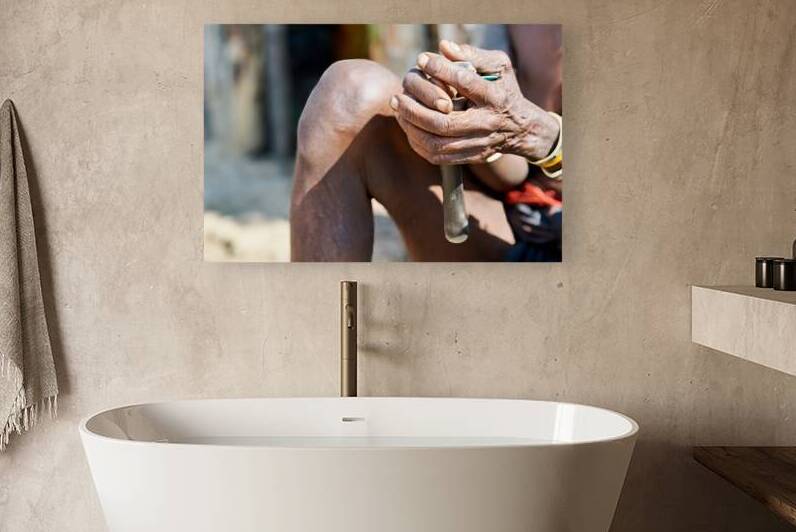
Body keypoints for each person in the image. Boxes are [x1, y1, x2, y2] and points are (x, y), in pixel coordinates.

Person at [290, 25, 562, 261]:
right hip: (512, 223)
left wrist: (545, 138)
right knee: (347, 93)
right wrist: (472, 122)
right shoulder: (511, 20)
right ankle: (321, 303)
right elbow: (509, 176)